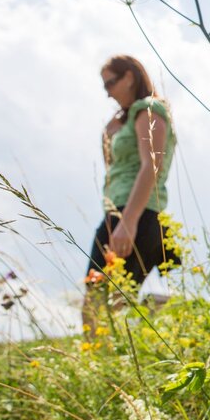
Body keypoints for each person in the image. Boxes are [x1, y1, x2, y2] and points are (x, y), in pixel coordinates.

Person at [82, 55, 178, 334]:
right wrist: (109, 133)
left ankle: (161, 307)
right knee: (100, 297)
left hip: (135, 213)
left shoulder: (148, 109)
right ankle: (158, 306)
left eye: (110, 83)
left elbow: (152, 165)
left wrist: (129, 221)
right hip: (119, 211)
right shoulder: (124, 119)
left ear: (129, 77)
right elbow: (113, 168)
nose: (107, 92)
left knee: (106, 301)